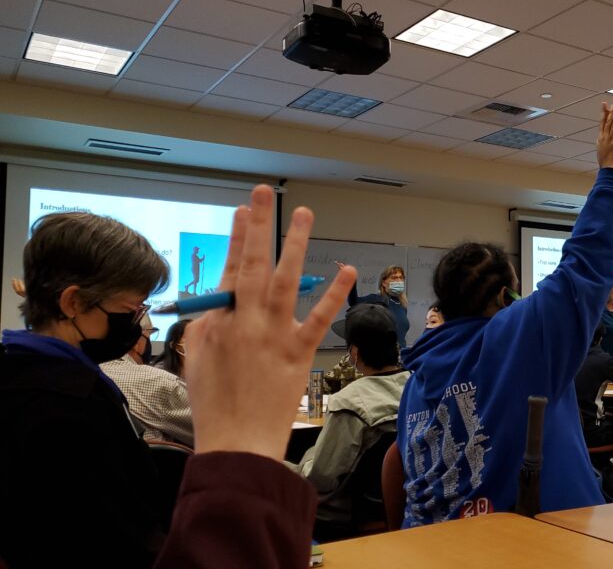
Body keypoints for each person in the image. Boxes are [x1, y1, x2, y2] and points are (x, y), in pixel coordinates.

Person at [1, 183, 358, 567]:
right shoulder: (67, 406)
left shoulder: (25, 374)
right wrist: (245, 456)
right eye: (132, 308)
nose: (140, 322)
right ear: (72, 302)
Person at [396, 103, 613, 527]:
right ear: (505, 297)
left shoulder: (416, 378)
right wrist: (610, 174)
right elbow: (585, 266)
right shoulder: (518, 337)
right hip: (534, 547)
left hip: (430, 549)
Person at [291, 303, 410, 541]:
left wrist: (304, 457)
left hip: (340, 514)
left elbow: (320, 478)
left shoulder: (349, 402)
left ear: (354, 354)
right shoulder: (415, 386)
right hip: (400, 504)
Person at [100, 313, 195, 446]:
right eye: (149, 335)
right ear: (135, 342)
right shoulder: (159, 382)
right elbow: (216, 425)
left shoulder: (87, 372)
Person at [346, 264, 411, 348]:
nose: (398, 281)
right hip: (382, 354)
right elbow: (354, 302)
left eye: (401, 278)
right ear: (384, 282)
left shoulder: (402, 305)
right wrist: (351, 282)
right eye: (394, 278)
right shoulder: (377, 299)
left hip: (400, 355)